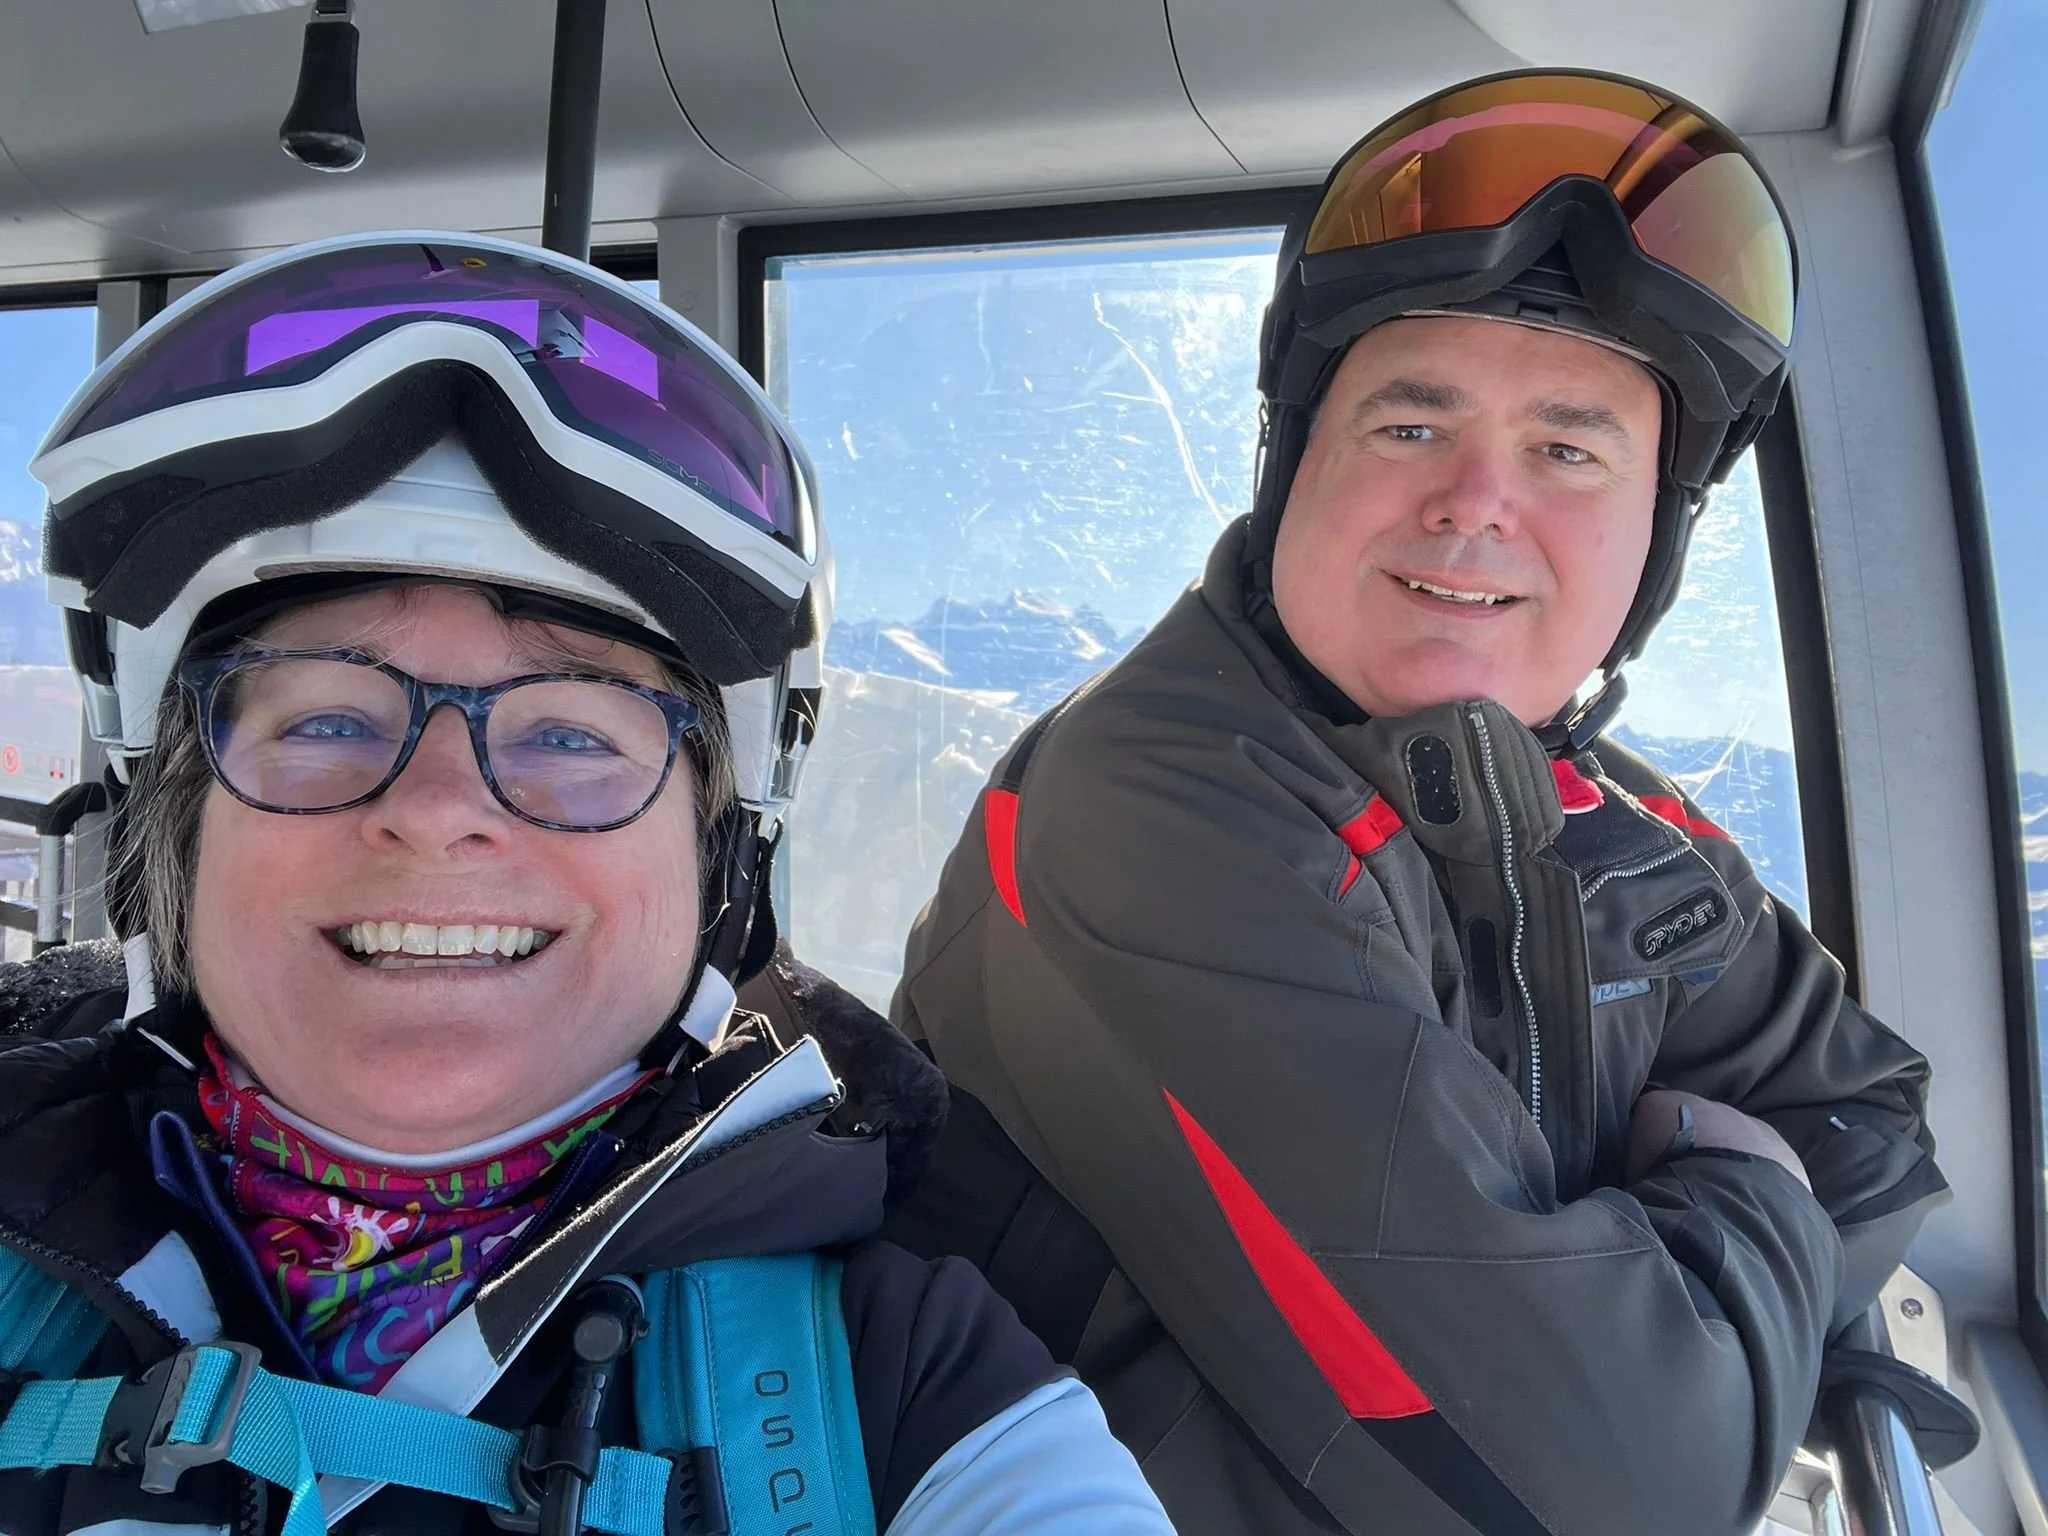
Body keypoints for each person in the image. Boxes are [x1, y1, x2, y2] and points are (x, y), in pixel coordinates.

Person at [883, 70, 1948, 1535]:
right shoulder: (1142, 806)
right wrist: (1731, 1179)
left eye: (1570, 448)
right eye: (1408, 424)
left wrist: (1661, 1291)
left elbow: (1875, 1119)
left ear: (1656, 537)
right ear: (1292, 462)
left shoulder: (1615, 822)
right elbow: (1617, 1490)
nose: (1474, 503)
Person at [0, 233, 1175, 1535]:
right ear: (171, 843)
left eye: (571, 734)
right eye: (326, 720)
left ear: (722, 862)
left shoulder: (916, 1398)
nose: (439, 811)